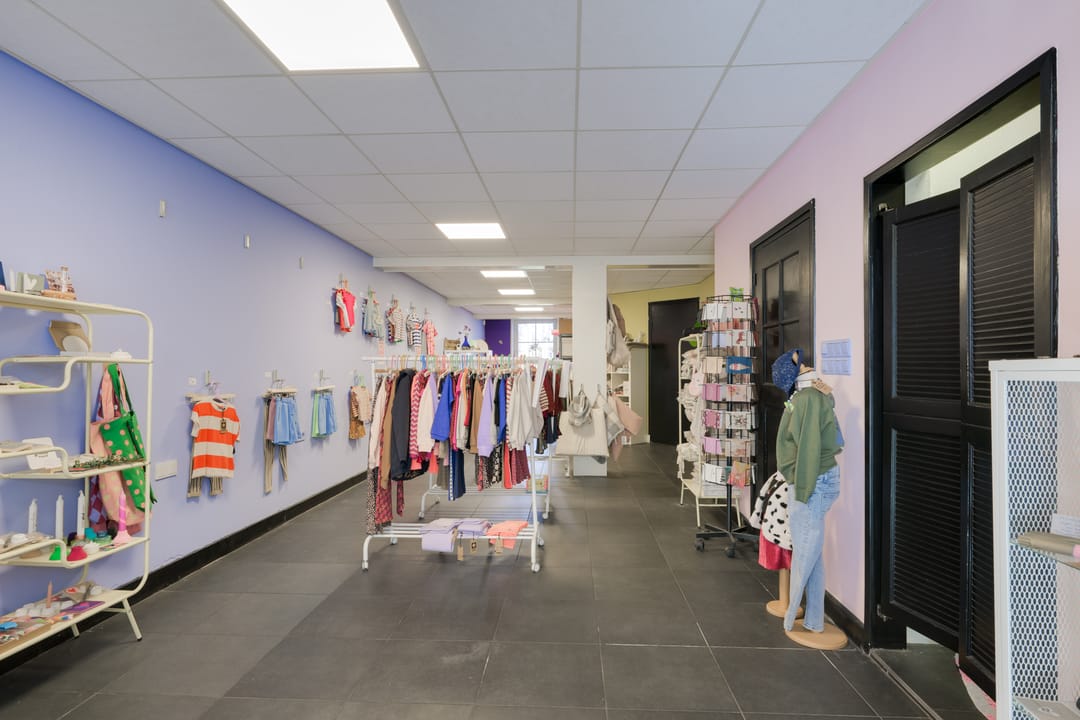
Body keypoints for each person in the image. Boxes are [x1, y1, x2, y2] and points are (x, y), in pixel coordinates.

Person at [770, 348, 843, 638]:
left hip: (811, 481)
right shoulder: (806, 398)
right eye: (801, 365)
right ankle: (813, 620)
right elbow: (813, 441)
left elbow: (810, 447)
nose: (808, 366)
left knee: (805, 554)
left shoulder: (808, 398)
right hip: (812, 480)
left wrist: (801, 490)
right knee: (810, 554)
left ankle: (792, 619)